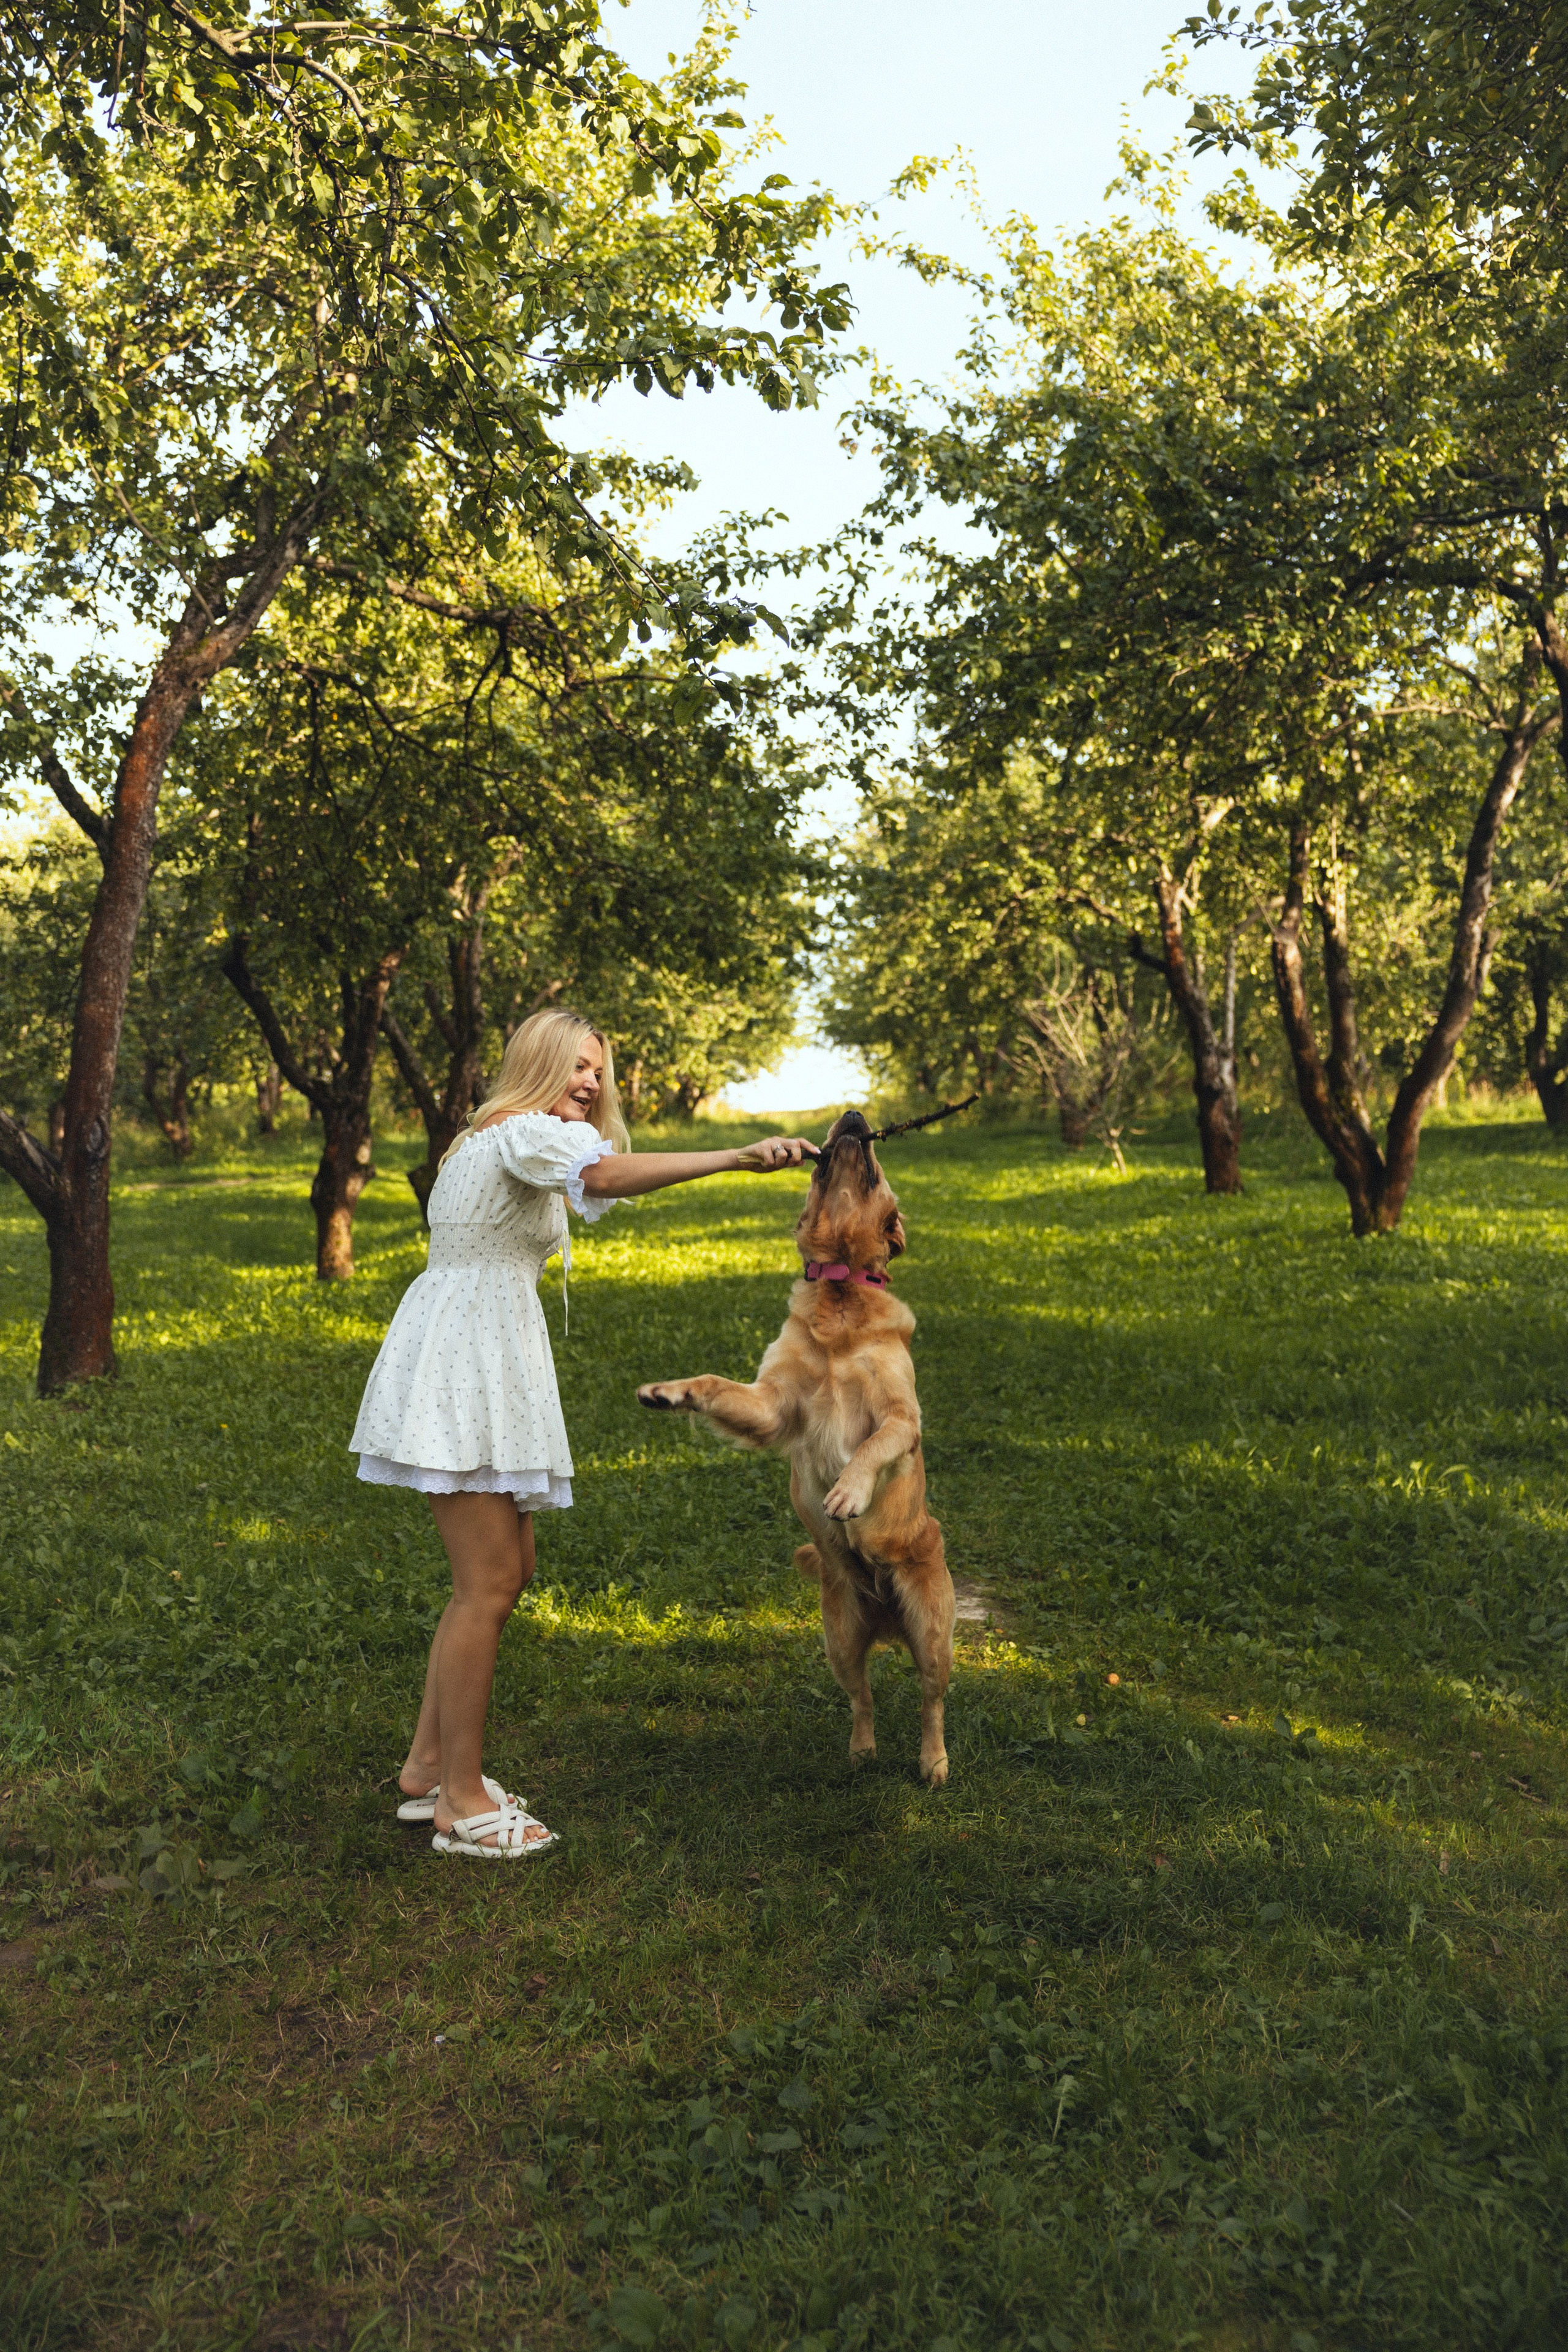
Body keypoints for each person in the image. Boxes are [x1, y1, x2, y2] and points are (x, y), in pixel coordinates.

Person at [350, 1005, 817, 1859]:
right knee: (487, 1583)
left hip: (477, 1348)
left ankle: (426, 1770)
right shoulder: (525, 1131)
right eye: (573, 1066)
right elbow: (601, 1179)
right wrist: (738, 1155)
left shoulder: (495, 1137)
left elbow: (584, 1180)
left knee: (504, 1571)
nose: (591, 1081)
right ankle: (459, 1802)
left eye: (598, 1069)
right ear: (536, 1068)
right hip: (468, 1361)